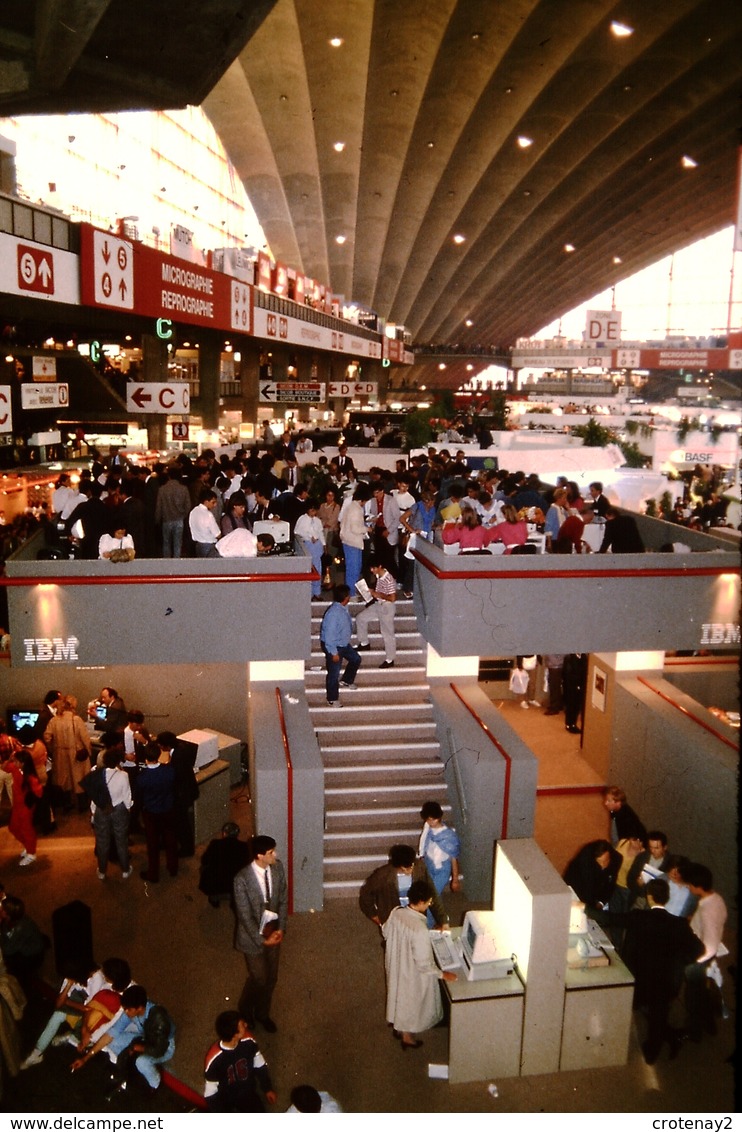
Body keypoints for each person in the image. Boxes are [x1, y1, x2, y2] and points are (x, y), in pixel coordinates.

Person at [621, 877, 704, 1064]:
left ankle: (669, 1037)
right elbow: (699, 950)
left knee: (642, 1005)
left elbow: (610, 919)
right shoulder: (679, 924)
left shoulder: (639, 917)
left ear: (649, 897)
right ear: (666, 898)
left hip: (641, 974)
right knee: (658, 1014)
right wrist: (679, 960)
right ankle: (653, 1052)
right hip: (665, 979)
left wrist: (585, 908)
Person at [382, 880, 457, 1049]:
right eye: (430, 902)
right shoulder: (419, 929)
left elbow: (386, 932)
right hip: (411, 972)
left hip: (397, 965)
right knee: (412, 1002)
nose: (430, 905)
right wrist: (444, 975)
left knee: (398, 996)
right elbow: (424, 965)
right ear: (422, 902)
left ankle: (400, 1028)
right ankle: (407, 1037)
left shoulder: (397, 912)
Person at [233, 835, 288, 1033]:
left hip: (274, 931)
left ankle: (263, 1014)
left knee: (272, 977)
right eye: (271, 852)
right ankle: (245, 1011)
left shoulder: (278, 868)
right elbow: (245, 917)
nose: (276, 855)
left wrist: (281, 928)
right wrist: (262, 940)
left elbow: (282, 899)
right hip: (252, 938)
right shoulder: (242, 880)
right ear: (259, 856)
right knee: (259, 978)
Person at [681, 862, 728, 1043]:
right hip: (709, 956)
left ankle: (694, 1033)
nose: (688, 886)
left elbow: (709, 944)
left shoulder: (707, 910)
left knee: (693, 997)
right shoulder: (716, 899)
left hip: (700, 958)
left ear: (698, 886)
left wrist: (696, 962)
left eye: (690, 884)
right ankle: (710, 1025)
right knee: (704, 994)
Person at [359, 844, 449, 930]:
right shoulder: (382, 876)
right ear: (399, 866)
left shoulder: (420, 868)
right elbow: (365, 895)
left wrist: (443, 920)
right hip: (394, 919)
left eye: (413, 865)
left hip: (415, 915)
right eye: (408, 867)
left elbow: (431, 893)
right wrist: (375, 916)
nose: (412, 869)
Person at [203, 1010, 277, 1112]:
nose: (246, 1025)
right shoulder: (214, 1060)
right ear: (235, 1035)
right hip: (226, 1097)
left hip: (247, 1092)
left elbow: (259, 1064)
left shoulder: (249, 1042)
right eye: (242, 1025)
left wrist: (267, 1087)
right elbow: (211, 1093)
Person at [83, 749, 133, 880]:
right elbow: (127, 796)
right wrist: (128, 809)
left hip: (101, 809)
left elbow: (94, 798)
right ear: (117, 761)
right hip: (119, 809)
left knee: (102, 841)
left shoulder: (97, 775)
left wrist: (93, 813)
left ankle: (102, 871)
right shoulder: (123, 775)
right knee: (121, 840)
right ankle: (125, 870)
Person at [136, 743, 178, 883]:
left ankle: (153, 874)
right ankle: (173, 868)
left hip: (151, 813)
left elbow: (139, 797)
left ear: (145, 758)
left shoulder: (142, 777)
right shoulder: (169, 771)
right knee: (170, 839)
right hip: (167, 809)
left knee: (152, 844)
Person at [44, 694, 92, 812]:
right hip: (76, 753)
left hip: (60, 754)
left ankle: (67, 804)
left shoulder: (54, 720)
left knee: (64, 780)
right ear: (73, 706)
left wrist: (53, 749)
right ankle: (82, 805)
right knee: (78, 779)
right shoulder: (76, 719)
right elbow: (85, 738)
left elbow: (47, 737)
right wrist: (88, 752)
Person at [319, 584, 362, 705]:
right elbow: (329, 636)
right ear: (346, 597)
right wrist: (333, 652)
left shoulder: (343, 608)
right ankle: (332, 699)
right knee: (334, 673)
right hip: (334, 645)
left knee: (356, 659)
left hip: (342, 643)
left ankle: (347, 680)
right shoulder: (334, 614)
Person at [355, 562, 397, 667]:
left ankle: (390, 659)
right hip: (378, 604)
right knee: (360, 618)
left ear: (380, 566)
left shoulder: (389, 579)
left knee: (387, 633)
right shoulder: (379, 576)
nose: (371, 570)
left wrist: (378, 594)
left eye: (373, 568)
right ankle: (364, 643)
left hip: (386, 607)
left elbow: (392, 598)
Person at [199, 822, 250, 908]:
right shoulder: (244, 847)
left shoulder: (215, 844)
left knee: (203, 868)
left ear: (224, 833)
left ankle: (214, 899)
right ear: (237, 834)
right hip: (235, 885)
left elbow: (204, 860)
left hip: (217, 883)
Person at [6, 750, 43, 866]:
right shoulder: (16, 769)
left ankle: (31, 853)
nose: (14, 763)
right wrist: (10, 759)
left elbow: (39, 793)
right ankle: (28, 847)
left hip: (26, 807)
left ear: (23, 763)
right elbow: (5, 767)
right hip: (17, 805)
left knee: (26, 829)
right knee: (13, 827)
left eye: (16, 761)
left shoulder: (30, 778)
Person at [417, 802, 461, 901]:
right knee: (434, 895)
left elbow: (454, 858)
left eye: (434, 819)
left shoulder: (449, 836)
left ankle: (429, 917)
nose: (431, 822)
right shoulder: (427, 828)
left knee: (431, 896)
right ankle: (437, 916)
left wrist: (455, 879)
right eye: (428, 819)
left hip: (442, 868)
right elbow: (424, 841)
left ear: (439, 817)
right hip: (429, 863)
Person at [563, 839, 621, 911]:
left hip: (596, 888)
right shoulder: (585, 861)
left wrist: (601, 902)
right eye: (600, 862)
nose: (603, 866)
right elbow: (588, 888)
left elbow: (611, 884)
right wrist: (590, 909)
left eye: (605, 861)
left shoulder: (617, 859)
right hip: (577, 883)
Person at [339, 483, 370, 595]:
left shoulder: (350, 506)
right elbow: (355, 528)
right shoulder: (357, 510)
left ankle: (351, 592)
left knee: (352, 569)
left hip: (347, 541)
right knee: (354, 570)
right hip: (353, 542)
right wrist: (367, 529)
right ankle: (351, 594)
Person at [155, 467, 191, 557]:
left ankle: (167, 563)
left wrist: (157, 520)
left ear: (169, 476)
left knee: (166, 543)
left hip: (166, 519)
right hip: (179, 520)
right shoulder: (184, 489)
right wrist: (183, 515)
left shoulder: (162, 489)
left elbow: (159, 506)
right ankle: (177, 562)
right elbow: (188, 506)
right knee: (178, 543)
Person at [294, 499, 325, 599]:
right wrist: (308, 536)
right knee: (309, 569)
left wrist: (324, 544)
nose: (313, 513)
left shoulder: (317, 521)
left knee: (317, 569)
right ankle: (309, 593)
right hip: (307, 545)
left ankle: (317, 591)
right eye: (311, 510)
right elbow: (297, 532)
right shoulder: (302, 519)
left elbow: (320, 533)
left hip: (317, 547)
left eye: (315, 511)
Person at [189, 489, 221, 556]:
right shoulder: (208, 515)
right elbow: (217, 534)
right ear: (206, 502)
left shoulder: (193, 511)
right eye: (213, 502)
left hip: (198, 545)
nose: (215, 505)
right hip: (209, 546)